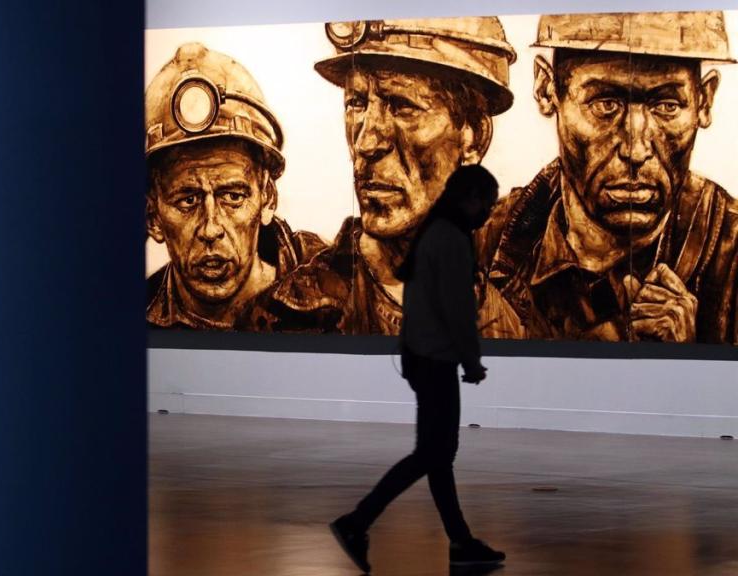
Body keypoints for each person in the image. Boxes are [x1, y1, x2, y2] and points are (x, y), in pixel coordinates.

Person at [243, 18, 523, 339]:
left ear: (474, 138)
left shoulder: (511, 322)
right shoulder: (284, 319)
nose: (366, 142)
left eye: (403, 106)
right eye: (357, 103)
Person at [479, 11, 738, 343]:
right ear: (546, 90)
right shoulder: (483, 244)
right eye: (606, 104)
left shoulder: (731, 251)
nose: (636, 150)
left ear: (705, 101)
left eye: (667, 106)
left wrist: (692, 358)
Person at [330, 165, 505, 573]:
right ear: (471, 198)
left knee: (438, 456)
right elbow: (457, 309)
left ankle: (460, 541)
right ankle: (357, 522)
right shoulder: (451, 239)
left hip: (421, 356)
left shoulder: (435, 232)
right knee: (432, 454)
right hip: (436, 359)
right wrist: (471, 360)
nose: (487, 213)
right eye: (486, 203)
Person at [145, 43, 325, 330]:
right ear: (153, 217)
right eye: (187, 201)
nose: (210, 230)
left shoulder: (336, 291)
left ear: (267, 198)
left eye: (232, 196)